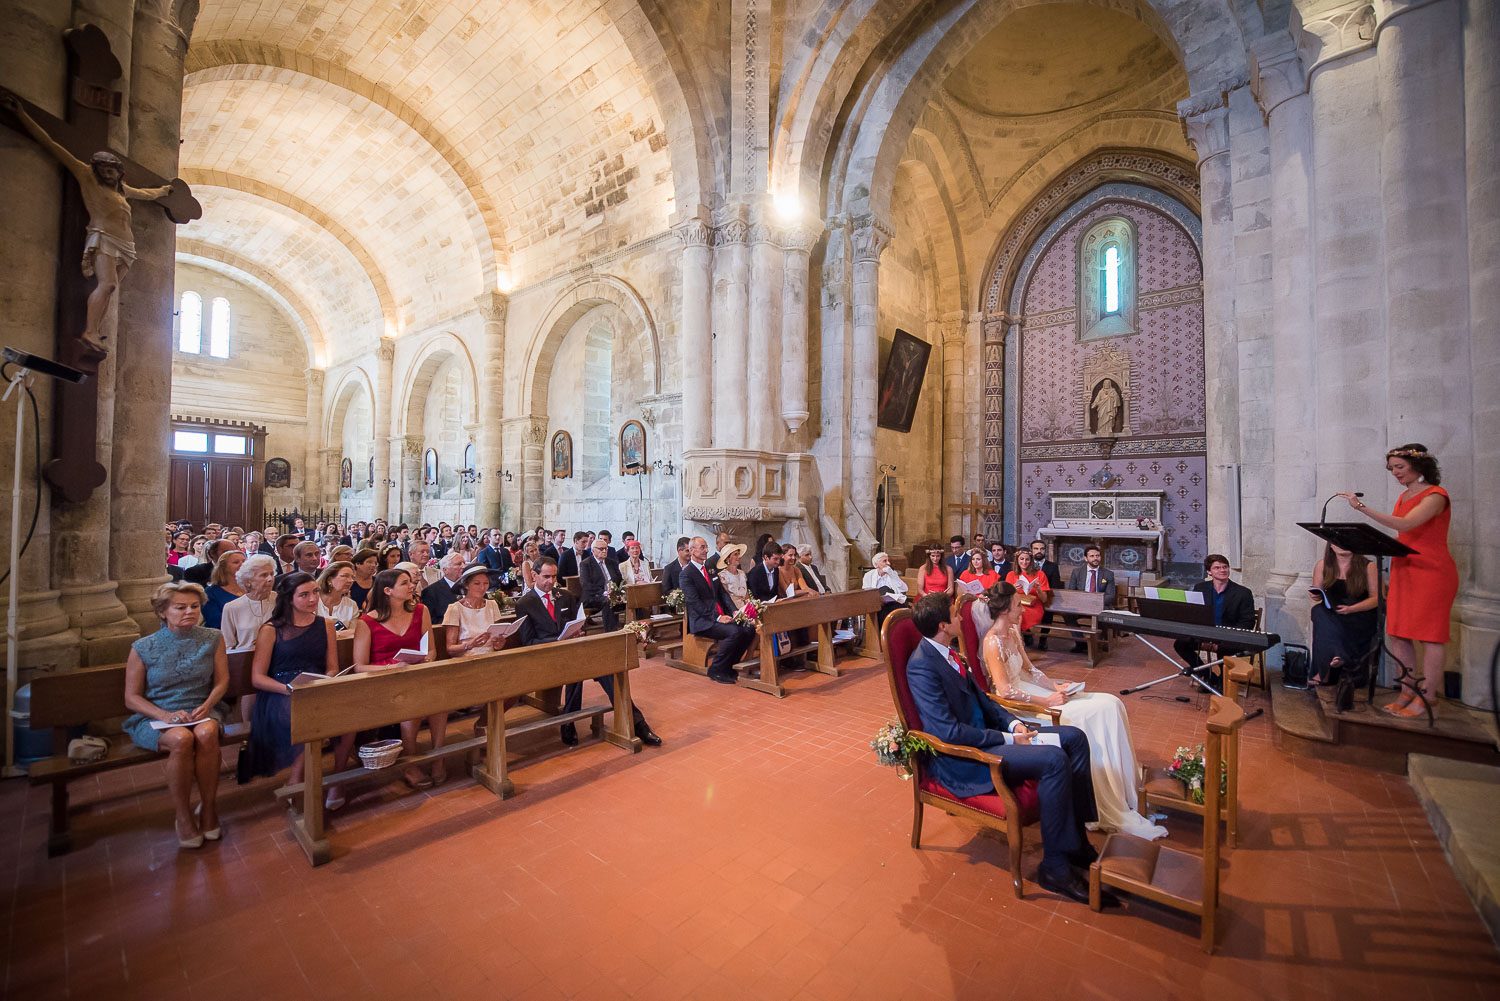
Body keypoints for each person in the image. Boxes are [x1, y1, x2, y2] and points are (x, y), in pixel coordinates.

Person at [903, 594, 1110, 905]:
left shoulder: (948, 652)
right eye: (956, 616)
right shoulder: (922, 667)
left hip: (993, 735)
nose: (963, 619)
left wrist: (1015, 726)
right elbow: (948, 732)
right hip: (964, 757)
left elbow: (984, 701)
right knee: (1054, 759)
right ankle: (1054, 868)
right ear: (944, 626)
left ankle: (1076, 841)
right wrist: (1008, 739)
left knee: (1074, 738)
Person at [976, 585, 1165, 841]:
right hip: (1020, 704)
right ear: (1005, 609)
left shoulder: (1012, 630)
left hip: (1035, 690)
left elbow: (1031, 671)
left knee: (1111, 704)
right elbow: (1006, 691)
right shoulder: (992, 642)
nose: (1022, 608)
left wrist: (1055, 686)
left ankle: (1124, 786)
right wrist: (1046, 701)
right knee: (1086, 716)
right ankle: (1097, 798)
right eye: (1018, 604)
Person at [1337, 444, 1459, 714]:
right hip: (1404, 569)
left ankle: (1428, 699)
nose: (1395, 473)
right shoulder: (1403, 497)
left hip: (1432, 572)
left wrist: (1360, 508)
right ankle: (1407, 692)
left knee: (1431, 636)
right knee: (1399, 634)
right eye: (1391, 468)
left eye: (1399, 467)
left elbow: (1405, 525)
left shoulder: (1436, 495)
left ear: (1418, 466)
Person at [121, 582, 229, 850]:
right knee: (181, 739)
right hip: (157, 715)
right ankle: (182, 815)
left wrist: (208, 703)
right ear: (162, 611)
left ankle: (208, 808)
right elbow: (131, 698)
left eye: (194, 606)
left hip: (201, 708)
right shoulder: (143, 646)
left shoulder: (212, 638)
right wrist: (165, 715)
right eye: (180, 607)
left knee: (206, 733)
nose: (189, 612)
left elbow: (222, 681)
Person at [514, 558, 661, 746]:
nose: (551, 581)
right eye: (546, 577)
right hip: (545, 657)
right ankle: (568, 723)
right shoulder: (525, 604)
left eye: (554, 576)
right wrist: (559, 640)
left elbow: (575, 623)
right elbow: (529, 641)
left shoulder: (564, 596)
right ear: (534, 575)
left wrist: (577, 631)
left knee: (609, 669)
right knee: (577, 671)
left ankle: (637, 723)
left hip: (572, 652)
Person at [246, 574, 348, 808]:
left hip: (316, 687)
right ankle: (296, 780)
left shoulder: (326, 624)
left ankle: (338, 779)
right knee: (306, 716)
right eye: (304, 594)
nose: (313, 599)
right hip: (280, 692)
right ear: (289, 599)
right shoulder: (271, 630)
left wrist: (323, 681)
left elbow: (332, 667)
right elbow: (258, 678)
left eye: (314, 592)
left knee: (348, 712)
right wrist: (290, 689)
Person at [353, 569, 443, 788]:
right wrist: (394, 668)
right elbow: (359, 666)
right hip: (385, 681)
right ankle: (410, 762)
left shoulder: (421, 611)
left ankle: (438, 757)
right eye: (405, 583)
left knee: (441, 700)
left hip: (416, 673)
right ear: (388, 591)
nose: (412, 586)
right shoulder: (366, 622)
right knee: (408, 702)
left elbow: (431, 650)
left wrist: (426, 661)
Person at [680, 536, 754, 684]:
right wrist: (718, 618)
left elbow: (722, 594)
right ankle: (716, 669)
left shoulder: (710, 569)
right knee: (734, 632)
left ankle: (729, 666)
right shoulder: (686, 574)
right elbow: (695, 603)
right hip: (703, 620)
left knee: (749, 629)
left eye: (706, 547)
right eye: (702, 547)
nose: (706, 550)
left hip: (719, 615)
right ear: (692, 550)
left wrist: (733, 611)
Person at [1172, 554, 1256, 678]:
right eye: (1217, 568)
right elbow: (1194, 614)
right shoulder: (1200, 588)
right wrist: (1204, 637)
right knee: (1180, 644)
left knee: (1225, 650)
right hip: (1205, 635)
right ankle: (1207, 675)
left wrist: (1226, 638)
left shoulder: (1243, 593)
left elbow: (1248, 621)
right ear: (1209, 572)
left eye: (1225, 567)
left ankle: (1223, 682)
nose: (1222, 570)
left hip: (1228, 638)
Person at [1308, 543, 1379, 687]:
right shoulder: (1322, 565)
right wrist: (1315, 596)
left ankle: (1324, 672)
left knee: (1327, 623)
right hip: (1334, 610)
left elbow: (1376, 599)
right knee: (1318, 612)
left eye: (1345, 541)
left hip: (1359, 613)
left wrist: (1352, 609)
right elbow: (1318, 592)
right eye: (1336, 541)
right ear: (1330, 545)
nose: (1341, 545)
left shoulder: (1368, 566)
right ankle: (1337, 656)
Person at [443, 564, 505, 655]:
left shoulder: (492, 605)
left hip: (491, 658)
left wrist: (499, 644)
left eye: (486, 583)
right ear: (466, 585)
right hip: (466, 661)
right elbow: (450, 648)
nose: (482, 588)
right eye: (477, 583)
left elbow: (497, 640)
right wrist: (469, 645)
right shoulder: (455, 609)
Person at [1065, 547, 1116, 653]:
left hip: (1100, 606)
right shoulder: (1077, 572)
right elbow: (1072, 592)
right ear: (1085, 558)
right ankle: (1080, 642)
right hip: (1081, 606)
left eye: (1097, 556)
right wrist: (1084, 603)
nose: (1095, 559)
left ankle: (1098, 644)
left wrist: (1094, 603)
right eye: (1092, 556)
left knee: (1104, 617)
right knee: (1067, 615)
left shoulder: (1108, 574)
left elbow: (1110, 595)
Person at [220, 554, 276, 651]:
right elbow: (228, 645)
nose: (270, 579)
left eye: (271, 574)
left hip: (278, 658)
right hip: (244, 659)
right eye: (264, 575)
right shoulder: (232, 607)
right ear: (248, 581)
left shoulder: (280, 600)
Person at [580, 537, 623, 631]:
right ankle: (611, 633)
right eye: (601, 549)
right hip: (594, 596)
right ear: (593, 550)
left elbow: (619, 580)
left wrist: (618, 592)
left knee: (634, 599)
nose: (604, 551)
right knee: (608, 601)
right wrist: (605, 593)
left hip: (613, 594)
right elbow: (586, 585)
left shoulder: (612, 562)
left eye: (606, 548)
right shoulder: (586, 564)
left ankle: (636, 630)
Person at [1005, 549, 1050, 639]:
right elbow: (1006, 596)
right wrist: (1012, 589)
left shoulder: (1040, 574)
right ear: (1017, 560)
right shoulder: (1011, 574)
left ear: (1031, 561)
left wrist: (1038, 589)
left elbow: (1044, 599)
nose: (1024, 562)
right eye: (1021, 559)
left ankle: (1019, 641)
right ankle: (1018, 640)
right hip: (1016, 604)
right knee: (1009, 613)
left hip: (1033, 606)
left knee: (1018, 614)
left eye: (1027, 559)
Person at [200, 545, 245, 629]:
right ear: (224, 567)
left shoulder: (253, 589)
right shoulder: (211, 592)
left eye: (244, 561)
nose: (242, 565)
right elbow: (214, 621)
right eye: (236, 562)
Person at [1030, 541, 1063, 651]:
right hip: (1030, 597)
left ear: (1045, 551)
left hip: (1045, 598)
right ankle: (1027, 636)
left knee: (1048, 612)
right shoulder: (1027, 564)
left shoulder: (1052, 566)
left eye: (1042, 549)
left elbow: (1055, 585)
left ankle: (1043, 639)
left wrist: (1045, 595)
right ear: (1032, 550)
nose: (1039, 551)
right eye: (1036, 549)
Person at [862, 552, 909, 624]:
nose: (888, 563)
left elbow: (904, 589)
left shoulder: (892, 573)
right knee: (882, 609)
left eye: (888, 560)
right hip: (877, 604)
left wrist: (893, 575)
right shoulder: (869, 575)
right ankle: (885, 632)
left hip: (893, 602)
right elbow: (866, 592)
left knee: (900, 610)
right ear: (877, 564)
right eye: (885, 561)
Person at [421, 551, 467, 624]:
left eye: (464, 563)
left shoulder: (472, 587)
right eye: (459, 564)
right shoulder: (431, 592)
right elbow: (430, 620)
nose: (464, 567)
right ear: (445, 570)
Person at [315, 560, 360, 632]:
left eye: (352, 577)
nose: (350, 580)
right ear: (329, 580)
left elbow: (353, 633)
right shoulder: (313, 600)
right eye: (345, 576)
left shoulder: (351, 605)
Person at [715, 543, 750, 610]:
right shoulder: (723, 575)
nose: (738, 557)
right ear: (728, 558)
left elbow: (746, 594)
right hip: (733, 610)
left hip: (747, 608)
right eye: (735, 554)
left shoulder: (742, 573)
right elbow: (726, 597)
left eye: (738, 554)